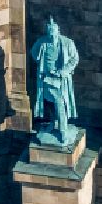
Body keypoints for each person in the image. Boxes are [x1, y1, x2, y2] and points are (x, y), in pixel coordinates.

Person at [31, 16, 79, 144]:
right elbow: (34, 53)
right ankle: (54, 122)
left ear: (58, 32)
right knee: (49, 101)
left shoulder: (68, 43)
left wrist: (63, 71)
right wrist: (43, 65)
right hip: (47, 78)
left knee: (59, 103)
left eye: (54, 34)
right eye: (50, 35)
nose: (52, 37)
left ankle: (63, 130)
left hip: (61, 80)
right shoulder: (42, 43)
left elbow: (74, 59)